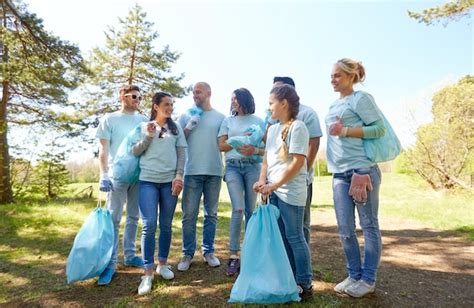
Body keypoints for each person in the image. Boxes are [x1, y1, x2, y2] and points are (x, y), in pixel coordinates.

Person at [326, 58, 385, 298]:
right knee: (345, 229)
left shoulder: (361, 98)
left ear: (352, 76)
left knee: (368, 225)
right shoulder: (332, 106)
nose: (333, 79)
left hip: (361, 171)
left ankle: (368, 279)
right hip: (339, 174)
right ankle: (353, 275)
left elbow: (378, 129)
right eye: (332, 75)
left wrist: (347, 131)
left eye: (338, 75)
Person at [253, 84, 313, 300]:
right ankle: (290, 278)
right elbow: (266, 161)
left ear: (284, 103)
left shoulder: (298, 127)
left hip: (291, 193)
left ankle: (304, 283)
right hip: (274, 191)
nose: (269, 108)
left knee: (295, 237)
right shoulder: (272, 129)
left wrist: (273, 185)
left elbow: (297, 163)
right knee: (281, 237)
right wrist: (262, 182)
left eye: (271, 103)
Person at [131, 92, 187, 295]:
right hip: (148, 182)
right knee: (148, 225)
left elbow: (182, 154)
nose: (170, 108)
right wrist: (148, 136)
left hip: (170, 182)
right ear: (155, 106)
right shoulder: (144, 127)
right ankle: (147, 272)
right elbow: (135, 151)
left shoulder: (176, 127)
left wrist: (179, 176)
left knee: (166, 225)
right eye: (166, 104)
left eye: (172, 104)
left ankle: (162, 264)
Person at [96, 84, 147, 285]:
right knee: (114, 219)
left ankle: (130, 255)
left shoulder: (143, 120)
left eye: (140, 97)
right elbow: (103, 149)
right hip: (117, 176)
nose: (137, 100)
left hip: (138, 175)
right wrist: (104, 174)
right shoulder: (110, 119)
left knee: (134, 216)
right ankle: (110, 264)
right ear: (122, 97)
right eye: (133, 96)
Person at [177, 82, 225, 271]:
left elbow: (225, 144)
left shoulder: (221, 118)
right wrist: (188, 128)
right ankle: (187, 254)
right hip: (192, 171)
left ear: (209, 93)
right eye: (193, 92)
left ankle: (208, 251)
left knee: (211, 214)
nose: (194, 95)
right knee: (189, 215)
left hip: (213, 171)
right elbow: (177, 142)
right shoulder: (185, 115)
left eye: (198, 92)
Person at [218, 88, 265, 276]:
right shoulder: (227, 121)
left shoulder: (259, 121)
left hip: (253, 167)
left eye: (236, 99)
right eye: (231, 99)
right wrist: (238, 141)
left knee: (251, 211)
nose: (233, 102)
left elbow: (268, 149)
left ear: (245, 100)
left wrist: (254, 150)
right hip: (232, 167)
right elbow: (221, 146)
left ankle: (252, 252)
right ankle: (233, 255)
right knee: (238, 209)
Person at [272, 77, 322, 246]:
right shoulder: (274, 118)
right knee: (280, 226)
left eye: (278, 90)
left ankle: (301, 267)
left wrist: (303, 171)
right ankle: (286, 265)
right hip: (277, 182)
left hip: (299, 180)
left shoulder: (307, 114)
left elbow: (314, 144)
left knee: (300, 226)